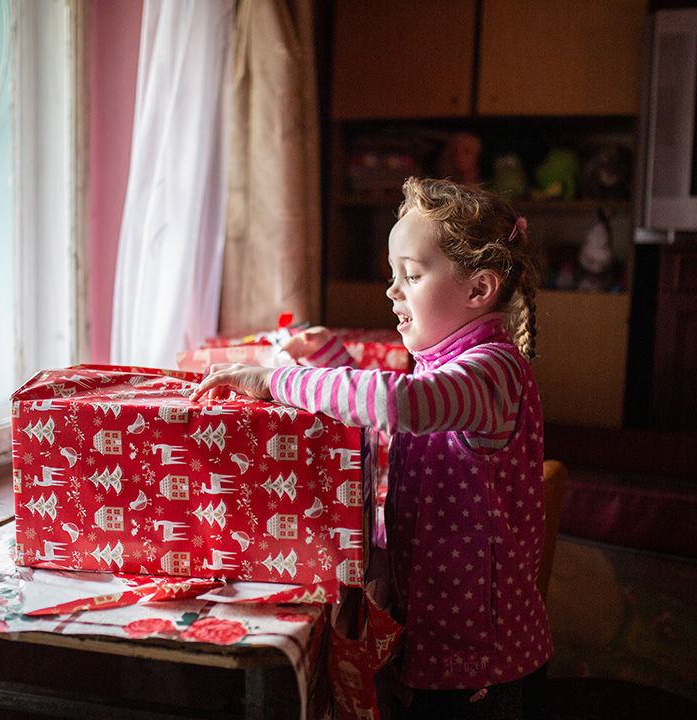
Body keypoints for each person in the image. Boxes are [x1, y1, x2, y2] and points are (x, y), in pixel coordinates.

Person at [191, 177, 551, 719]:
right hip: (444, 643)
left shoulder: (494, 372)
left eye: (411, 274)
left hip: (484, 666)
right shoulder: (450, 369)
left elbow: (399, 404)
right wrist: (332, 356)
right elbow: (394, 403)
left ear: (480, 289)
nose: (392, 291)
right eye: (393, 275)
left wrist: (275, 381)